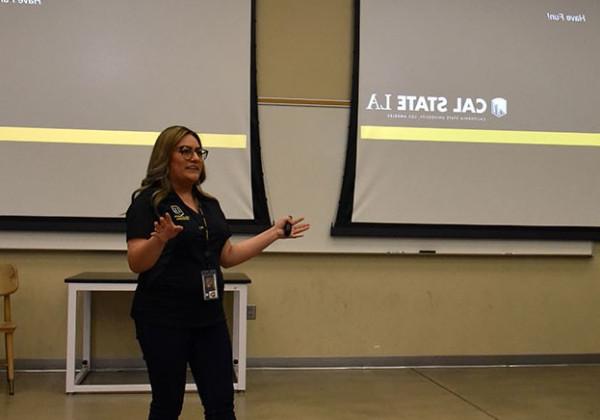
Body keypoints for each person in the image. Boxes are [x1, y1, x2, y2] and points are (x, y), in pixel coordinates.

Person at [126, 125, 309, 420]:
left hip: (208, 317)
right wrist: (159, 239)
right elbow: (136, 262)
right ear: (165, 156)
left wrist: (273, 233)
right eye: (185, 150)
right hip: (162, 319)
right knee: (167, 404)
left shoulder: (209, 205)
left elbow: (227, 256)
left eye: (199, 151)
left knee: (222, 404)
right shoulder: (150, 202)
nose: (195, 157)